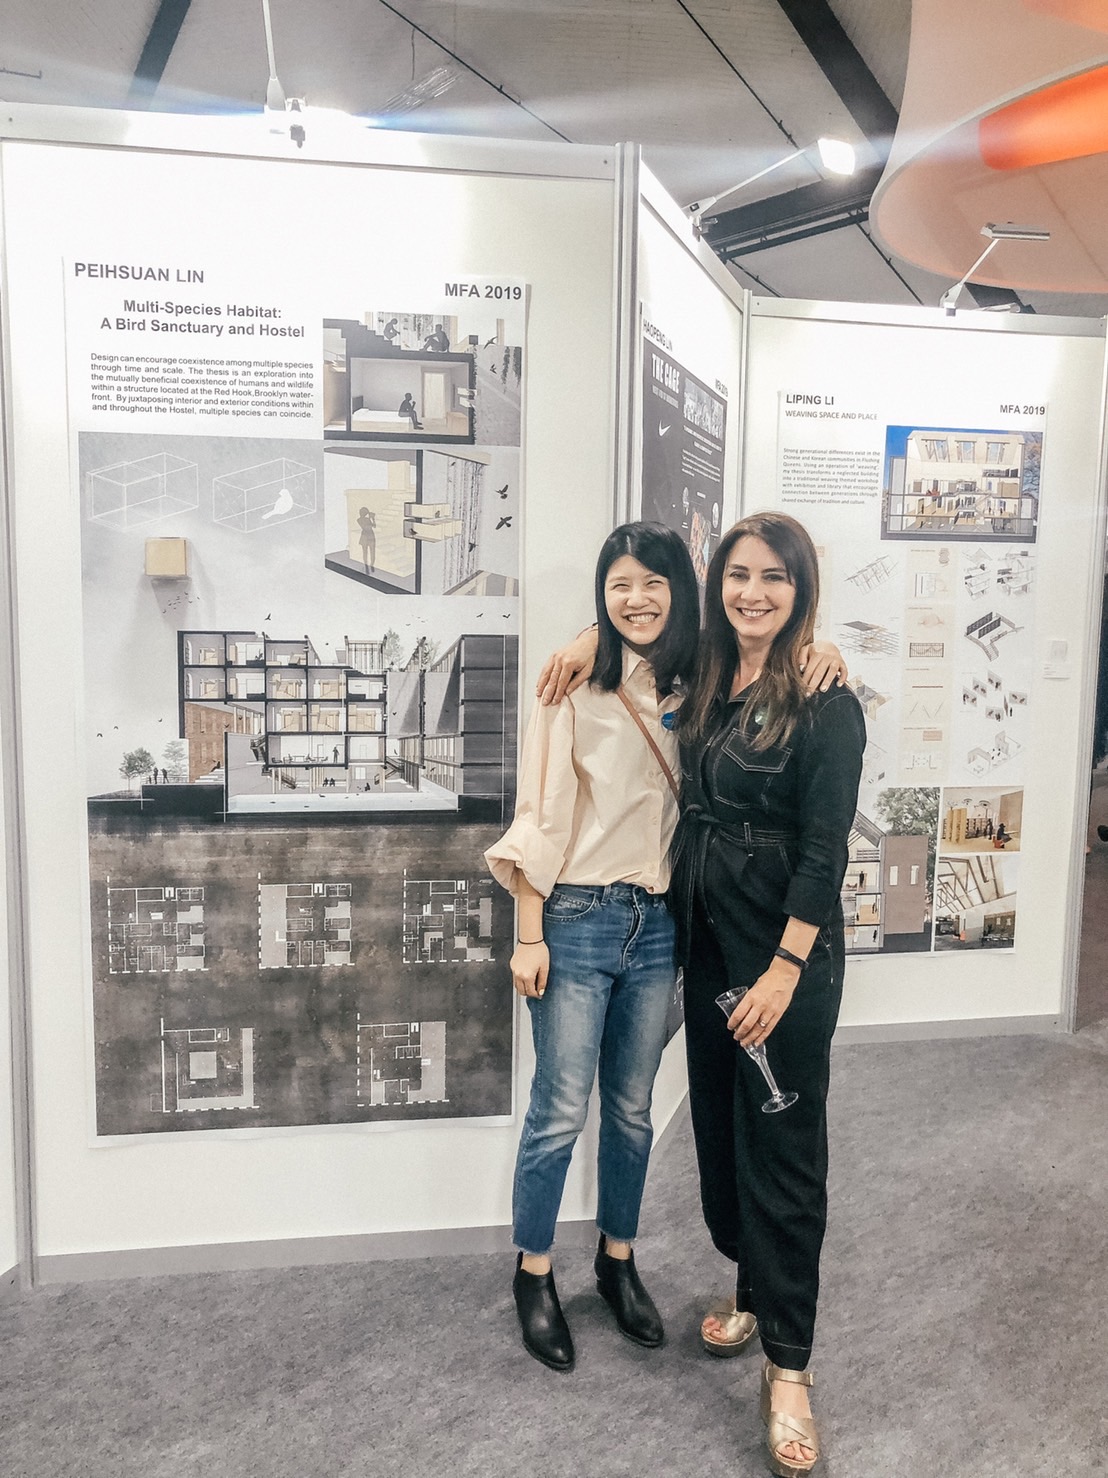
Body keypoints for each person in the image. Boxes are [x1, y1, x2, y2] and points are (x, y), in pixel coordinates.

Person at [671, 512, 864, 1478]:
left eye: (774, 578)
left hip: (783, 958)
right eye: (738, 574)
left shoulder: (826, 701)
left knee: (784, 1154)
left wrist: (785, 971)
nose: (754, 592)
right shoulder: (709, 674)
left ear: (800, 590)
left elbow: (825, 853)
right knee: (722, 1134)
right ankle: (752, 1290)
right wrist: (582, 639)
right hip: (709, 944)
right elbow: (629, 624)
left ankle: (789, 1369)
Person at [486, 522, 700, 1373]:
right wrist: (528, 933)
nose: (636, 599)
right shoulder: (571, 685)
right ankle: (534, 1272)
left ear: (679, 591)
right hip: (577, 918)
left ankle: (617, 1259)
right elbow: (538, 815)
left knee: (633, 1109)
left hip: (659, 924)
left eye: (653, 583)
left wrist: (820, 648)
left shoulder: (701, 681)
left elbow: (765, 632)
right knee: (559, 1110)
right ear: (601, 596)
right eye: (619, 585)